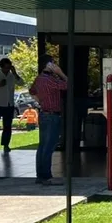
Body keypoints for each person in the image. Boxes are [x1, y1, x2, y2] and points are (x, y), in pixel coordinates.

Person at [29, 56, 68, 185]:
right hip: (51, 115)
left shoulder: (39, 79)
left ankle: (40, 175)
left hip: (44, 114)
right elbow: (67, 85)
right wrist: (60, 73)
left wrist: (39, 101)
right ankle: (45, 176)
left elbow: (32, 90)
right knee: (49, 146)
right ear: (49, 65)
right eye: (53, 64)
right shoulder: (50, 80)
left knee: (42, 146)